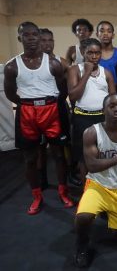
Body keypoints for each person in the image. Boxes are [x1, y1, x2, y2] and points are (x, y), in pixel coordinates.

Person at [3, 21, 74, 215]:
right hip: (27, 112)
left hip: (51, 110)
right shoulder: (11, 66)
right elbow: (10, 94)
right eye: (27, 35)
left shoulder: (53, 63)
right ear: (20, 38)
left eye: (35, 34)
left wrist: (47, 102)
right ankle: (36, 196)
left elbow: (62, 89)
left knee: (59, 154)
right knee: (30, 158)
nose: (32, 38)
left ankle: (63, 191)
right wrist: (29, 103)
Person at [73, 94, 117, 268]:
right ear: (104, 110)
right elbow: (92, 166)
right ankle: (82, 245)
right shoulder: (91, 133)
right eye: (112, 106)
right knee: (83, 217)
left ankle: (108, 213)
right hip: (97, 185)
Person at [67, 38, 116, 182]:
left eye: (97, 53)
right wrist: (87, 73)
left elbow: (113, 99)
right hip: (83, 118)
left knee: (104, 153)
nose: (94, 57)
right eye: (90, 53)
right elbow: (74, 96)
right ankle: (86, 190)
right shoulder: (75, 70)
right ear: (83, 52)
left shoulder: (105, 72)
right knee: (84, 157)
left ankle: (105, 187)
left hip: (102, 118)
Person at [39, 28, 73, 188]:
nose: (47, 44)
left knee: (63, 147)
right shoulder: (31, 63)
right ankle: (42, 180)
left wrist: (62, 99)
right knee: (39, 148)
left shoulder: (61, 62)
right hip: (37, 110)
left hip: (58, 107)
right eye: (43, 40)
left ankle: (67, 179)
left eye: (50, 40)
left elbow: (70, 82)